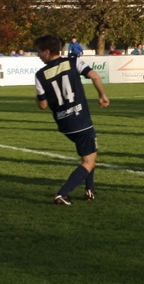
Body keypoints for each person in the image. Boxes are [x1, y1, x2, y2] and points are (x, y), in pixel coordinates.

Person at [33, 35, 110, 205]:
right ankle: (62, 194)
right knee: (89, 161)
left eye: (39, 51)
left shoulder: (40, 75)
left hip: (64, 123)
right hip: (80, 119)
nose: (38, 55)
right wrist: (102, 95)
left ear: (47, 52)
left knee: (90, 152)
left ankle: (90, 188)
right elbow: (95, 76)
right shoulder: (73, 61)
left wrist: (38, 99)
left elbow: (43, 105)